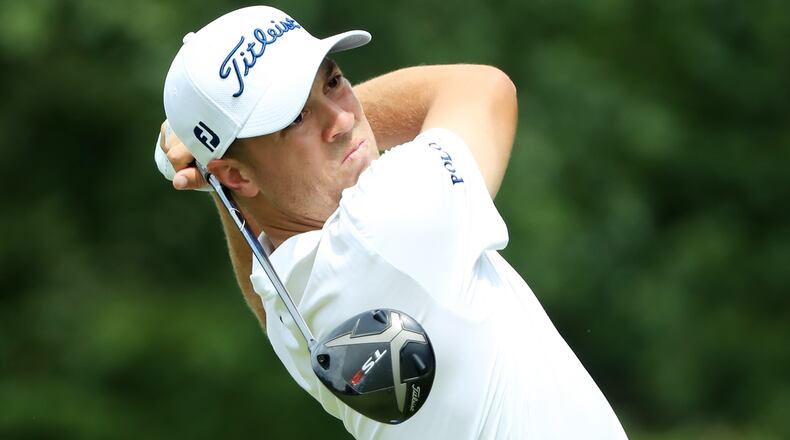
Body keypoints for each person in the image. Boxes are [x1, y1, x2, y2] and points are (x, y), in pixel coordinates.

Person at [155, 5, 628, 439]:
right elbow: (484, 88)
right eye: (296, 117)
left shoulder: (292, 300)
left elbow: (264, 288)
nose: (342, 117)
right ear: (238, 175)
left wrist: (223, 180)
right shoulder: (387, 221)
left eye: (334, 82)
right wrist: (219, 166)